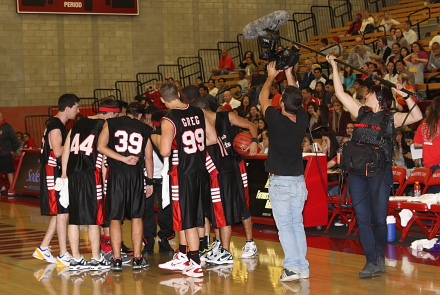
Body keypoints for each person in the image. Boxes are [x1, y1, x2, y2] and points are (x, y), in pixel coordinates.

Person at [327, 54, 423, 278]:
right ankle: (371, 261)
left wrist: (405, 95)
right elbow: (340, 93)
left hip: (380, 173)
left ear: (378, 96)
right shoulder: (360, 112)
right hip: (358, 173)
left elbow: (416, 115)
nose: (364, 95)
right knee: (362, 218)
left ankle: (379, 255)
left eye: (368, 93)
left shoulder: (391, 117)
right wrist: (333, 66)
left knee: (379, 219)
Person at [156, 83, 217, 278]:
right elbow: (213, 138)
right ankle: (183, 254)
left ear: (163, 99)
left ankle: (195, 262)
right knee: (183, 216)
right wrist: (192, 147)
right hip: (200, 170)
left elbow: (165, 150)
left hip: (183, 173)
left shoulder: (169, 118)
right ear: (179, 95)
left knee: (188, 219)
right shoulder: (198, 111)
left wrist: (155, 138)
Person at [190, 96, 258, 264]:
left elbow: (251, 125)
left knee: (242, 205)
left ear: (202, 111)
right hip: (219, 170)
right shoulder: (203, 127)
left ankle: (250, 243)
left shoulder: (226, 117)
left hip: (236, 165)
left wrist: (254, 141)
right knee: (218, 210)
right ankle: (220, 245)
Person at [259, 61, 309, 281]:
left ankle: (291, 267)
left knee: (286, 227)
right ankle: (302, 267)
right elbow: (294, 98)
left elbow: (262, 99)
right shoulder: (303, 119)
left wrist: (271, 77)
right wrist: (289, 73)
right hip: (298, 181)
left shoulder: (276, 120)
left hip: (281, 183)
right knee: (297, 224)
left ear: (281, 104)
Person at [61, 98, 120, 271]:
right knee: (95, 217)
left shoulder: (78, 123)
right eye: (115, 115)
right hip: (90, 173)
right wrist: (105, 178)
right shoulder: (104, 126)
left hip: (74, 174)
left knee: (75, 217)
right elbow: (102, 153)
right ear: (108, 113)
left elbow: (66, 148)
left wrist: (64, 173)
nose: (114, 118)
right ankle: (96, 258)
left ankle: (76, 258)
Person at [97, 101, 154, 271]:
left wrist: (121, 158)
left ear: (125, 111)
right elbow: (149, 157)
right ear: (141, 116)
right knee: (137, 216)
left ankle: (116, 259)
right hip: (135, 174)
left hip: (116, 173)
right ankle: (137, 258)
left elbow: (100, 146)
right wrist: (149, 181)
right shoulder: (145, 128)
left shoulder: (111, 123)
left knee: (115, 217)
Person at [33, 94, 80, 267]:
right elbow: (58, 151)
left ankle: (44, 247)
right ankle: (63, 253)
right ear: (67, 108)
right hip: (52, 171)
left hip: (55, 170)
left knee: (60, 212)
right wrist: (73, 141)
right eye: (76, 107)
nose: (78, 111)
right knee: (62, 212)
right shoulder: (55, 124)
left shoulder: (57, 124)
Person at [141, 110, 175, 256]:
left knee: (166, 211)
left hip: (164, 178)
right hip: (146, 178)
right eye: (146, 119)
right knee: (146, 211)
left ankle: (164, 239)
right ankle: (148, 241)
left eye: (151, 120)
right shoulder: (140, 134)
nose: (149, 123)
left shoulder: (164, 135)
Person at [415, 97, 440, 193]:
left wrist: (428, 143)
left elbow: (416, 144)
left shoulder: (424, 123)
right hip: (438, 163)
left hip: (428, 166)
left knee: (434, 199)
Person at [0, 112, 20, 196]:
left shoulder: (7, 127)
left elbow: (15, 140)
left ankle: (12, 189)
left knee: (9, 171)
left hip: (6, 153)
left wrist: (12, 150)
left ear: (2, 118)